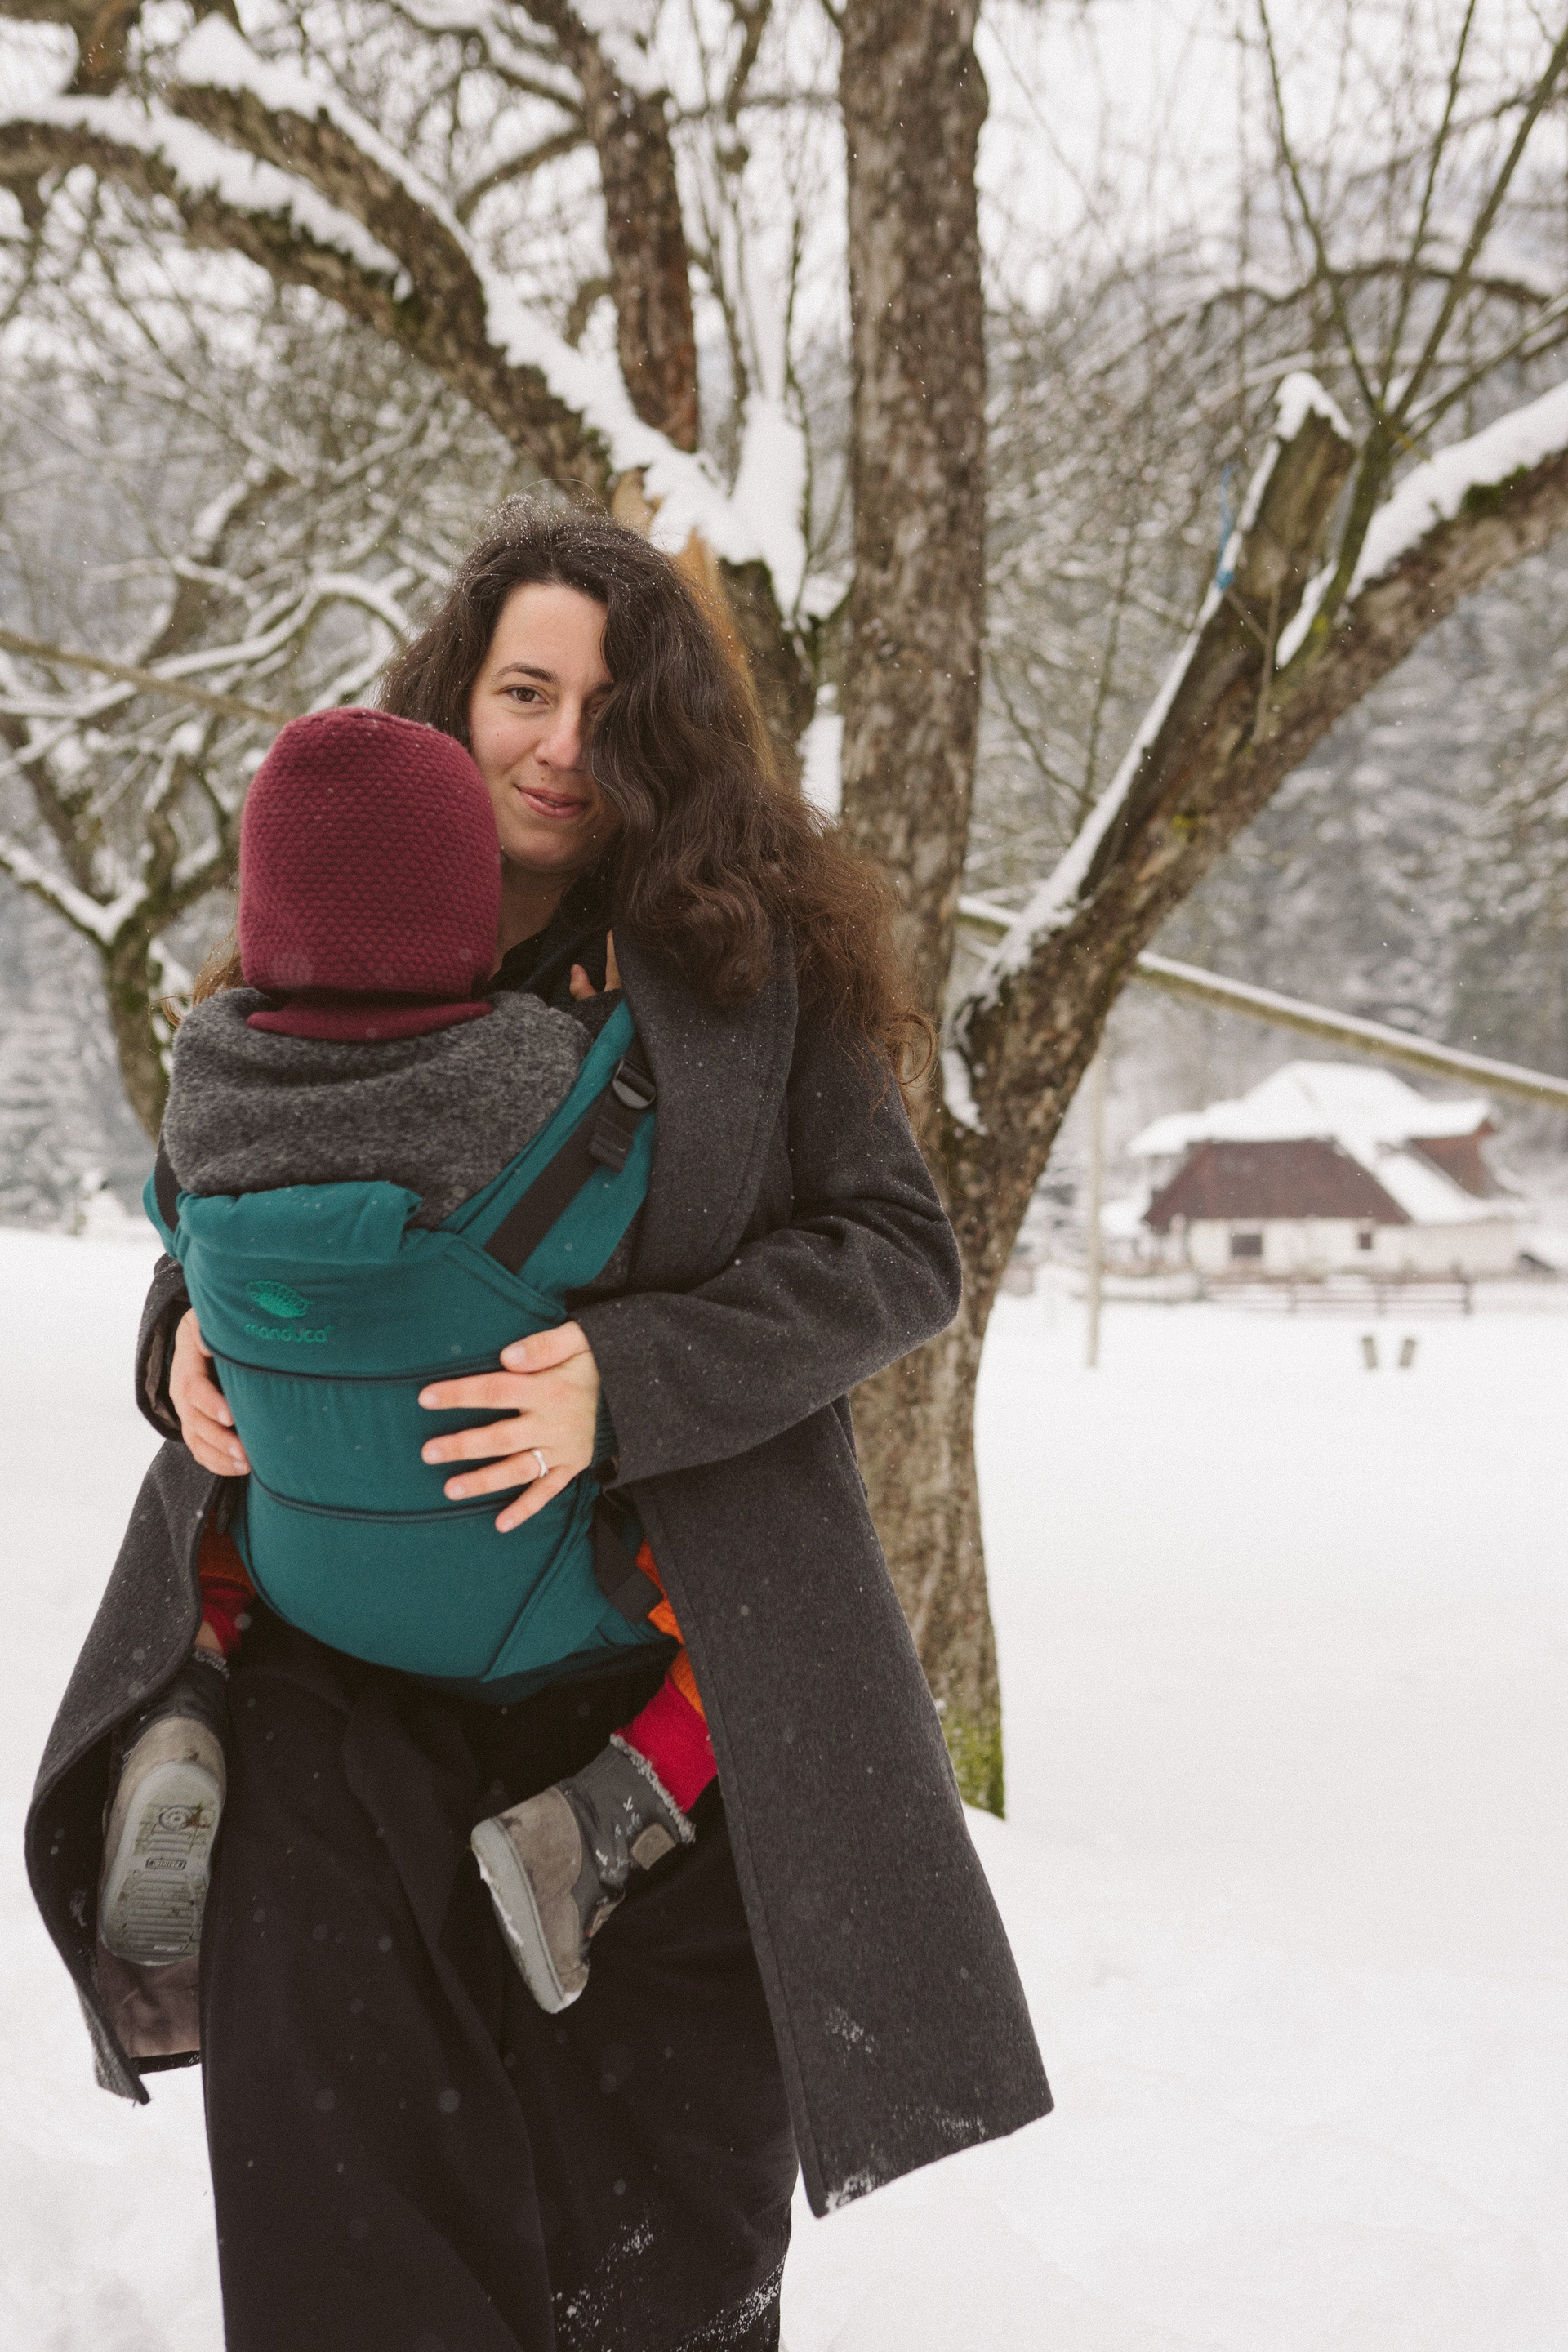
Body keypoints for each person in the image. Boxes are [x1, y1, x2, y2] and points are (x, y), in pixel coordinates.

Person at [27, 500, 1051, 2352]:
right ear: (456, 696)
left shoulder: (747, 965)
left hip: (668, 1668)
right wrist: (178, 1340)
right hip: (341, 1685)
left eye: (610, 706)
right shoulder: (321, 921)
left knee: (663, 2243)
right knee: (350, 2208)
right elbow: (233, 1207)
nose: (563, 743)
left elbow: (901, 1254)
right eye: (524, 691)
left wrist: (626, 1377)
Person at [100, 703, 719, 2015]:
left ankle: (192, 1688)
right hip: (533, 1599)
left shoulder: (205, 1097)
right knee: (764, 1584)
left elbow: (170, 1222)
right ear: (467, 907)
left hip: (308, 1585)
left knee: (248, 1469)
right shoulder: (549, 1088)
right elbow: (673, 1217)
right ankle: (610, 1813)